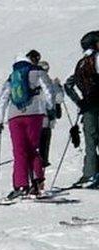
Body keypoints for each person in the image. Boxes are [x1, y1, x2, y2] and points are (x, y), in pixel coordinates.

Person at [0, 50, 56, 199]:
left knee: (19, 152)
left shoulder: (12, 77)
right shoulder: (37, 72)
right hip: (35, 114)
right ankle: (36, 182)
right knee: (33, 149)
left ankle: (21, 186)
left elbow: (2, 99)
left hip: (14, 117)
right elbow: (49, 91)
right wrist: (51, 108)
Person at [64, 30, 99, 188]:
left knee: (90, 141)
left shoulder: (80, 62)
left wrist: (80, 102)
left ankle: (89, 174)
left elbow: (67, 84)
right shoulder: (97, 58)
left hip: (87, 107)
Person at [38, 62, 64, 167]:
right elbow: (59, 97)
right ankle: (44, 160)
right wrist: (58, 86)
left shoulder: (33, 81)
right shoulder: (49, 82)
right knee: (45, 140)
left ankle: (37, 161)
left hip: (34, 116)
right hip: (47, 116)